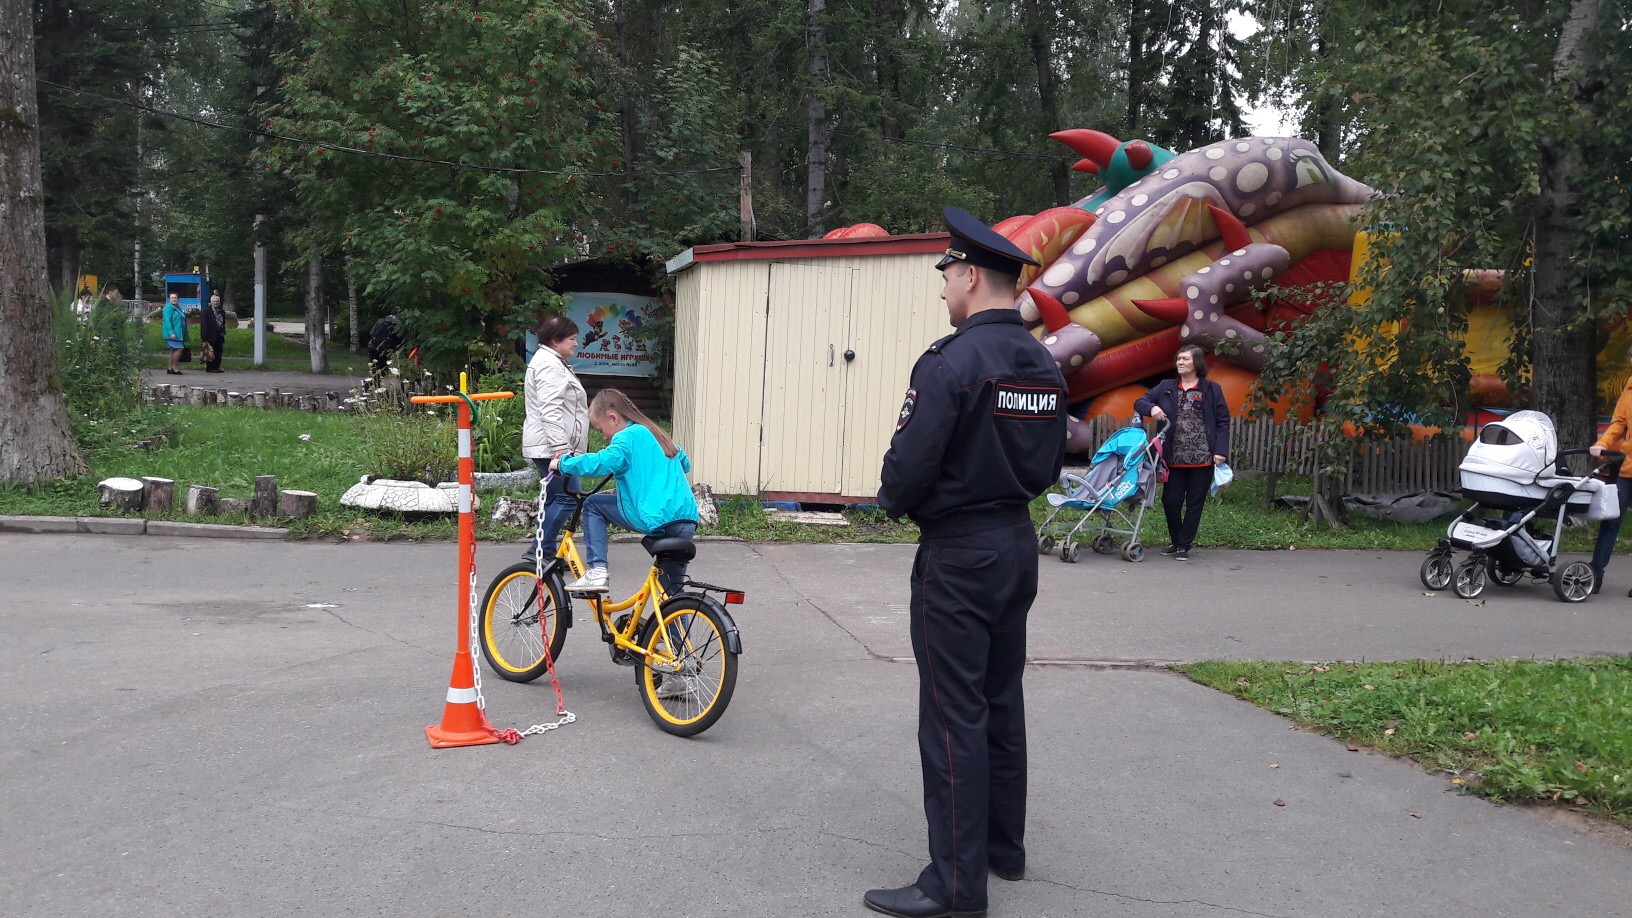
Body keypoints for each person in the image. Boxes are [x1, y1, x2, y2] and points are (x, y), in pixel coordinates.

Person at [867, 207, 1067, 918]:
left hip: (959, 553)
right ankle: (1001, 850)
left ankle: (954, 885)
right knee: (999, 700)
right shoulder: (1042, 362)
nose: (943, 288)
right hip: (1016, 543)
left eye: (947, 274)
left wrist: (891, 497)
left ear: (972, 275)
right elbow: (1048, 460)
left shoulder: (951, 362)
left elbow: (910, 465)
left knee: (953, 716)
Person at [551, 389, 698, 596]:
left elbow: (601, 462)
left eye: (601, 429)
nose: (603, 437)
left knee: (593, 504)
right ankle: (678, 626)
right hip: (686, 520)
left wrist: (563, 464)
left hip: (656, 516)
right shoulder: (657, 432)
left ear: (613, 418)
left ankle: (597, 570)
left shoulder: (626, 437)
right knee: (672, 594)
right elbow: (685, 462)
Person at [1135, 343, 1231, 561]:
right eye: (1178, 359)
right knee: (1170, 502)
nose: (1180, 362)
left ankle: (1183, 545)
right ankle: (1177, 540)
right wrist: (1152, 408)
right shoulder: (1166, 386)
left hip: (1204, 457)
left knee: (1195, 503)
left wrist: (1221, 450)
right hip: (1173, 457)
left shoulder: (1211, 389)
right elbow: (1140, 401)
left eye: (1185, 359)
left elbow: (1223, 421)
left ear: (1196, 363)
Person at [522, 315, 589, 561]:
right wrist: (561, 450)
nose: (576, 344)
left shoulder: (550, 361)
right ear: (555, 340)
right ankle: (540, 552)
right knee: (568, 499)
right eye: (571, 339)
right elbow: (549, 409)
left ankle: (543, 551)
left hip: (548, 444)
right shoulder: (550, 365)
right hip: (553, 446)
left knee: (557, 498)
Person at [1589, 361, 1632, 595]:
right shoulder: (1629, 388)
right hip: (1626, 469)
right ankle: (1594, 576)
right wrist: (1602, 443)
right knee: (1610, 520)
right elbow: (1618, 423)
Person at [200, 292, 227, 373]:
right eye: (214, 301)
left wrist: (223, 331)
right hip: (210, 335)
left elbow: (223, 322)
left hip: (219, 335)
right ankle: (210, 367)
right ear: (211, 302)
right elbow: (204, 325)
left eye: (217, 301)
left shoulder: (221, 311)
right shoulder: (206, 312)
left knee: (219, 352)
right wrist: (204, 336)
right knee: (210, 352)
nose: (215, 303)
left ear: (219, 302)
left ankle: (217, 367)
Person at [162, 293, 188, 375]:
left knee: (173, 350)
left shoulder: (177, 307)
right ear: (169, 299)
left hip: (178, 332)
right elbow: (167, 321)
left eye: (175, 298)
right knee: (179, 348)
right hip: (173, 333)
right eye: (172, 298)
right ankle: (174, 367)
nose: (174, 299)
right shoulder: (168, 308)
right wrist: (171, 333)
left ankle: (170, 368)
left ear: (178, 299)